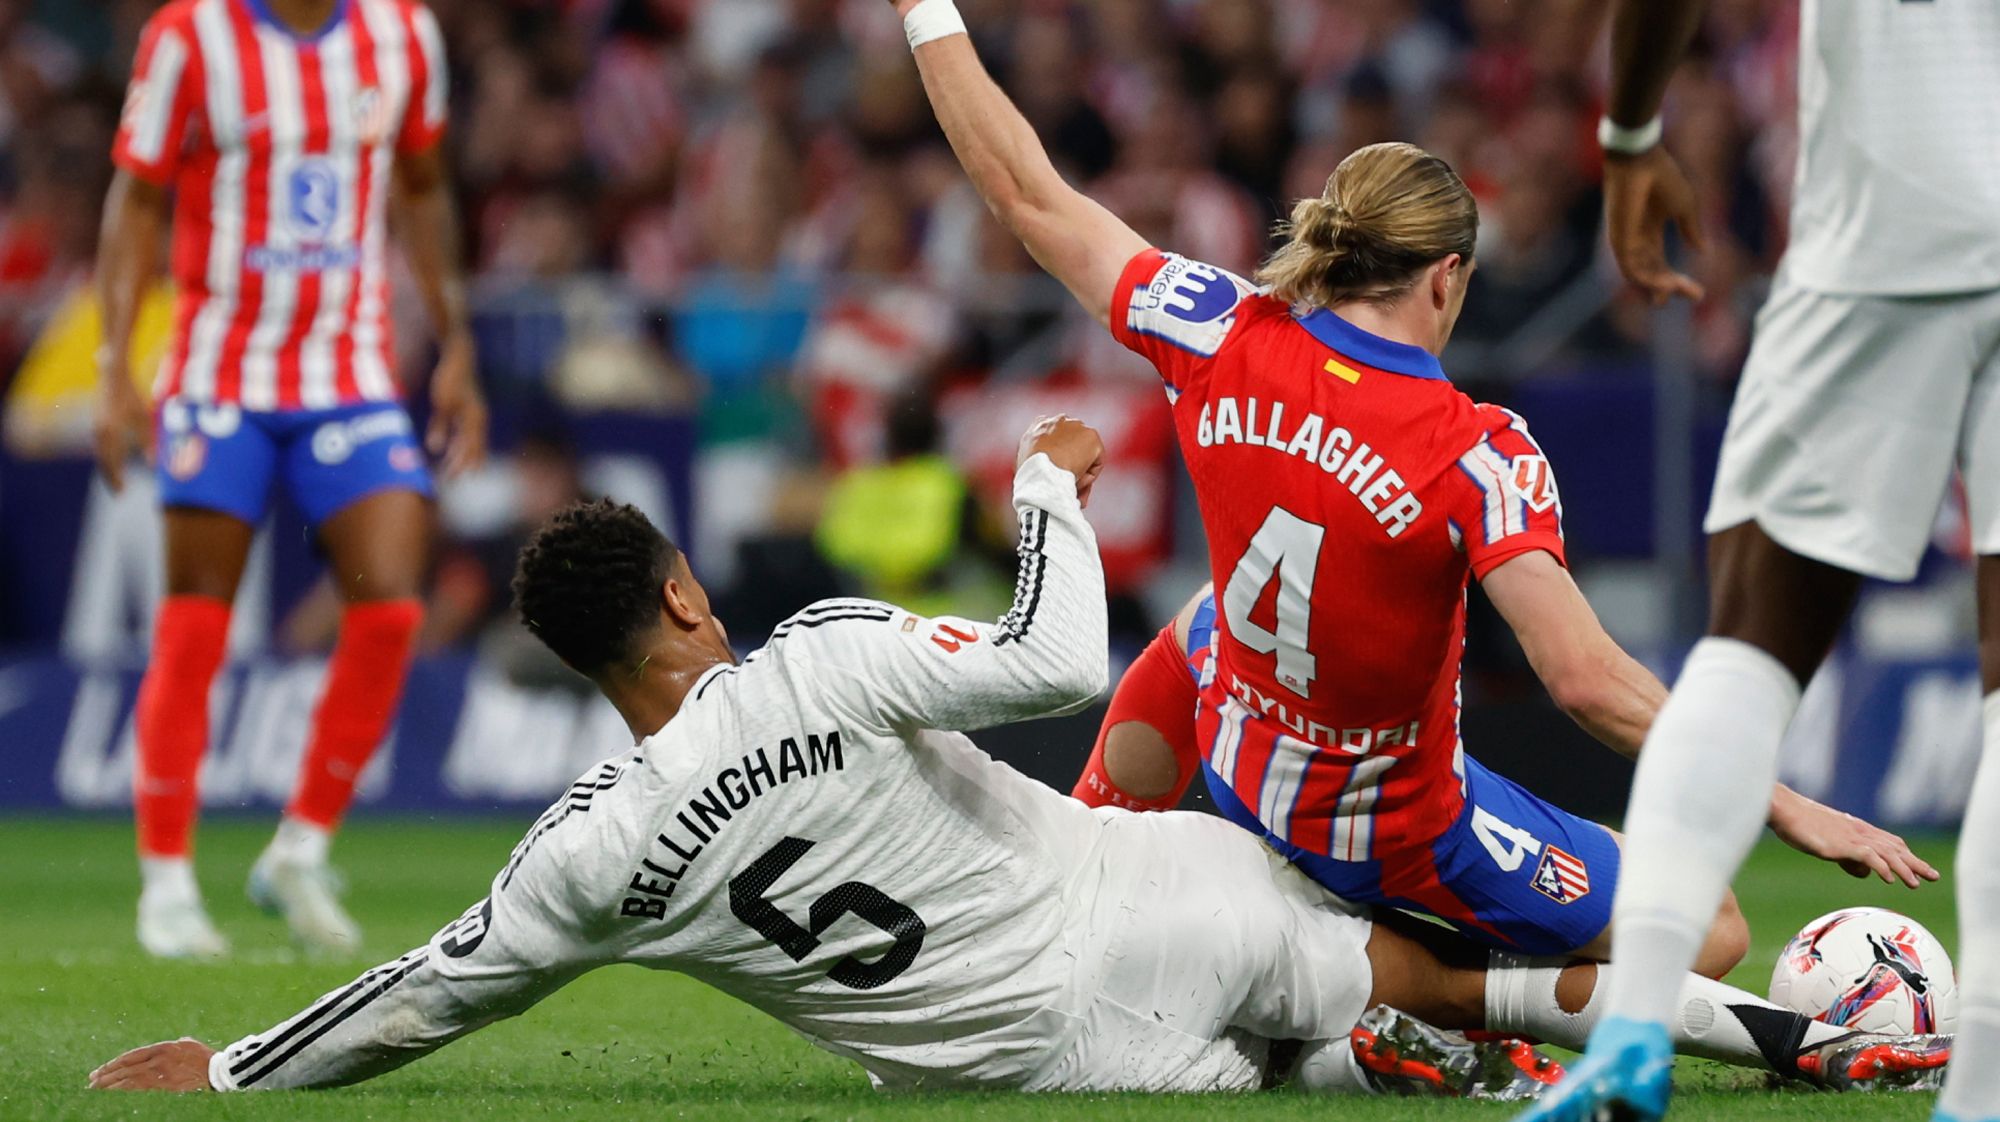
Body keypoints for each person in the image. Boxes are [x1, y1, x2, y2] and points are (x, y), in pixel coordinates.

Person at [85, 417, 1949, 1098]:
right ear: (677, 595)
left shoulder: (587, 854)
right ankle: (1814, 1039)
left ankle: (1377, 1048)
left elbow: (428, 994)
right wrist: (1051, 485)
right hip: (1150, 896)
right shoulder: (811, 662)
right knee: (1452, 977)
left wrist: (237, 1071)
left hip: (1052, 1065)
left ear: (579, 662)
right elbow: (1060, 650)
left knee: (1320, 1044)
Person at [889, 0, 1930, 974]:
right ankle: (1386, 991)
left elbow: (1025, 190)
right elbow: (1578, 676)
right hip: (1380, 826)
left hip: (1241, 756)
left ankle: (1081, 894)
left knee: (1208, 622)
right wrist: (1781, 801)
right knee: (1707, 928)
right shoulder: (1474, 450)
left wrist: (920, 9)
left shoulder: (1211, 325)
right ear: (1445, 276)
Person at [1521, 1, 2000, 1119]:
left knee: (1746, 647)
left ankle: (1632, 1027)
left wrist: (1630, 135)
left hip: (1888, 216)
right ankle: (1976, 1092)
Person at [93, 0, 487, 958]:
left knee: (392, 602)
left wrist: (456, 339)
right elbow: (136, 198)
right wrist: (113, 364)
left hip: (347, 372)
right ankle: (168, 882)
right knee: (196, 619)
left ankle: (299, 848)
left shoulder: (403, 35)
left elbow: (423, 187)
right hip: (218, 369)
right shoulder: (192, 35)